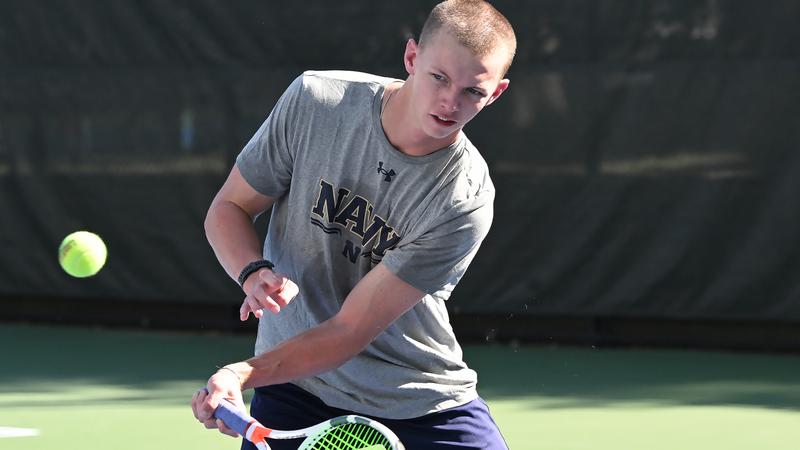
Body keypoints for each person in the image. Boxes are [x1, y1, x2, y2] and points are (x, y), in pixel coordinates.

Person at [191, 1, 516, 448]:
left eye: (472, 92)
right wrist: (251, 271)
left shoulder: (465, 198)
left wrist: (239, 373)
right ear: (412, 58)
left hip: (415, 400)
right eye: (439, 77)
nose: (450, 101)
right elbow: (228, 208)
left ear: (495, 93)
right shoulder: (316, 102)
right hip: (295, 388)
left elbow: (349, 330)